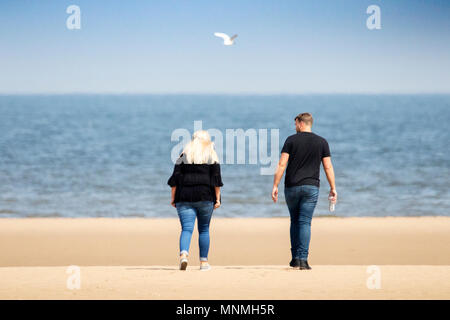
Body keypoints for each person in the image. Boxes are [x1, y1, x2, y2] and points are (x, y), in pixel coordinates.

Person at [272, 113, 337, 270]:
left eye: (295, 124)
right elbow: (328, 166)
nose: (295, 127)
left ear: (301, 123)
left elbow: (282, 164)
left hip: (291, 187)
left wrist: (275, 185)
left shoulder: (290, 140)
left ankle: (295, 258)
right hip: (311, 187)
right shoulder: (322, 142)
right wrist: (333, 187)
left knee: (294, 221)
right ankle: (303, 259)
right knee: (305, 222)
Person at [168, 130, 223, 271]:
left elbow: (175, 180)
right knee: (204, 230)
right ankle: (204, 262)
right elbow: (216, 181)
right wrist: (218, 199)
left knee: (186, 229)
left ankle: (184, 255)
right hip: (206, 197)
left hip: (184, 196)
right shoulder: (212, 156)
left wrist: (173, 198)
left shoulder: (182, 155)